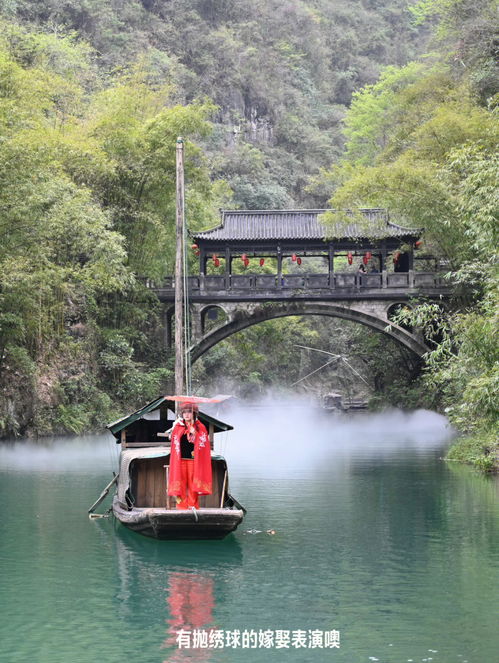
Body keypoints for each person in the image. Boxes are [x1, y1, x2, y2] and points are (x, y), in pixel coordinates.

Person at [168, 402, 212, 509]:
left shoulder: (200, 427)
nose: (187, 415)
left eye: (189, 412)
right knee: (181, 483)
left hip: (193, 460)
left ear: (194, 414)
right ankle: (181, 506)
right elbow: (173, 442)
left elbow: (204, 443)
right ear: (182, 414)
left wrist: (195, 434)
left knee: (193, 484)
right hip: (180, 460)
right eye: (185, 412)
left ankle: (193, 505)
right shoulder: (178, 426)